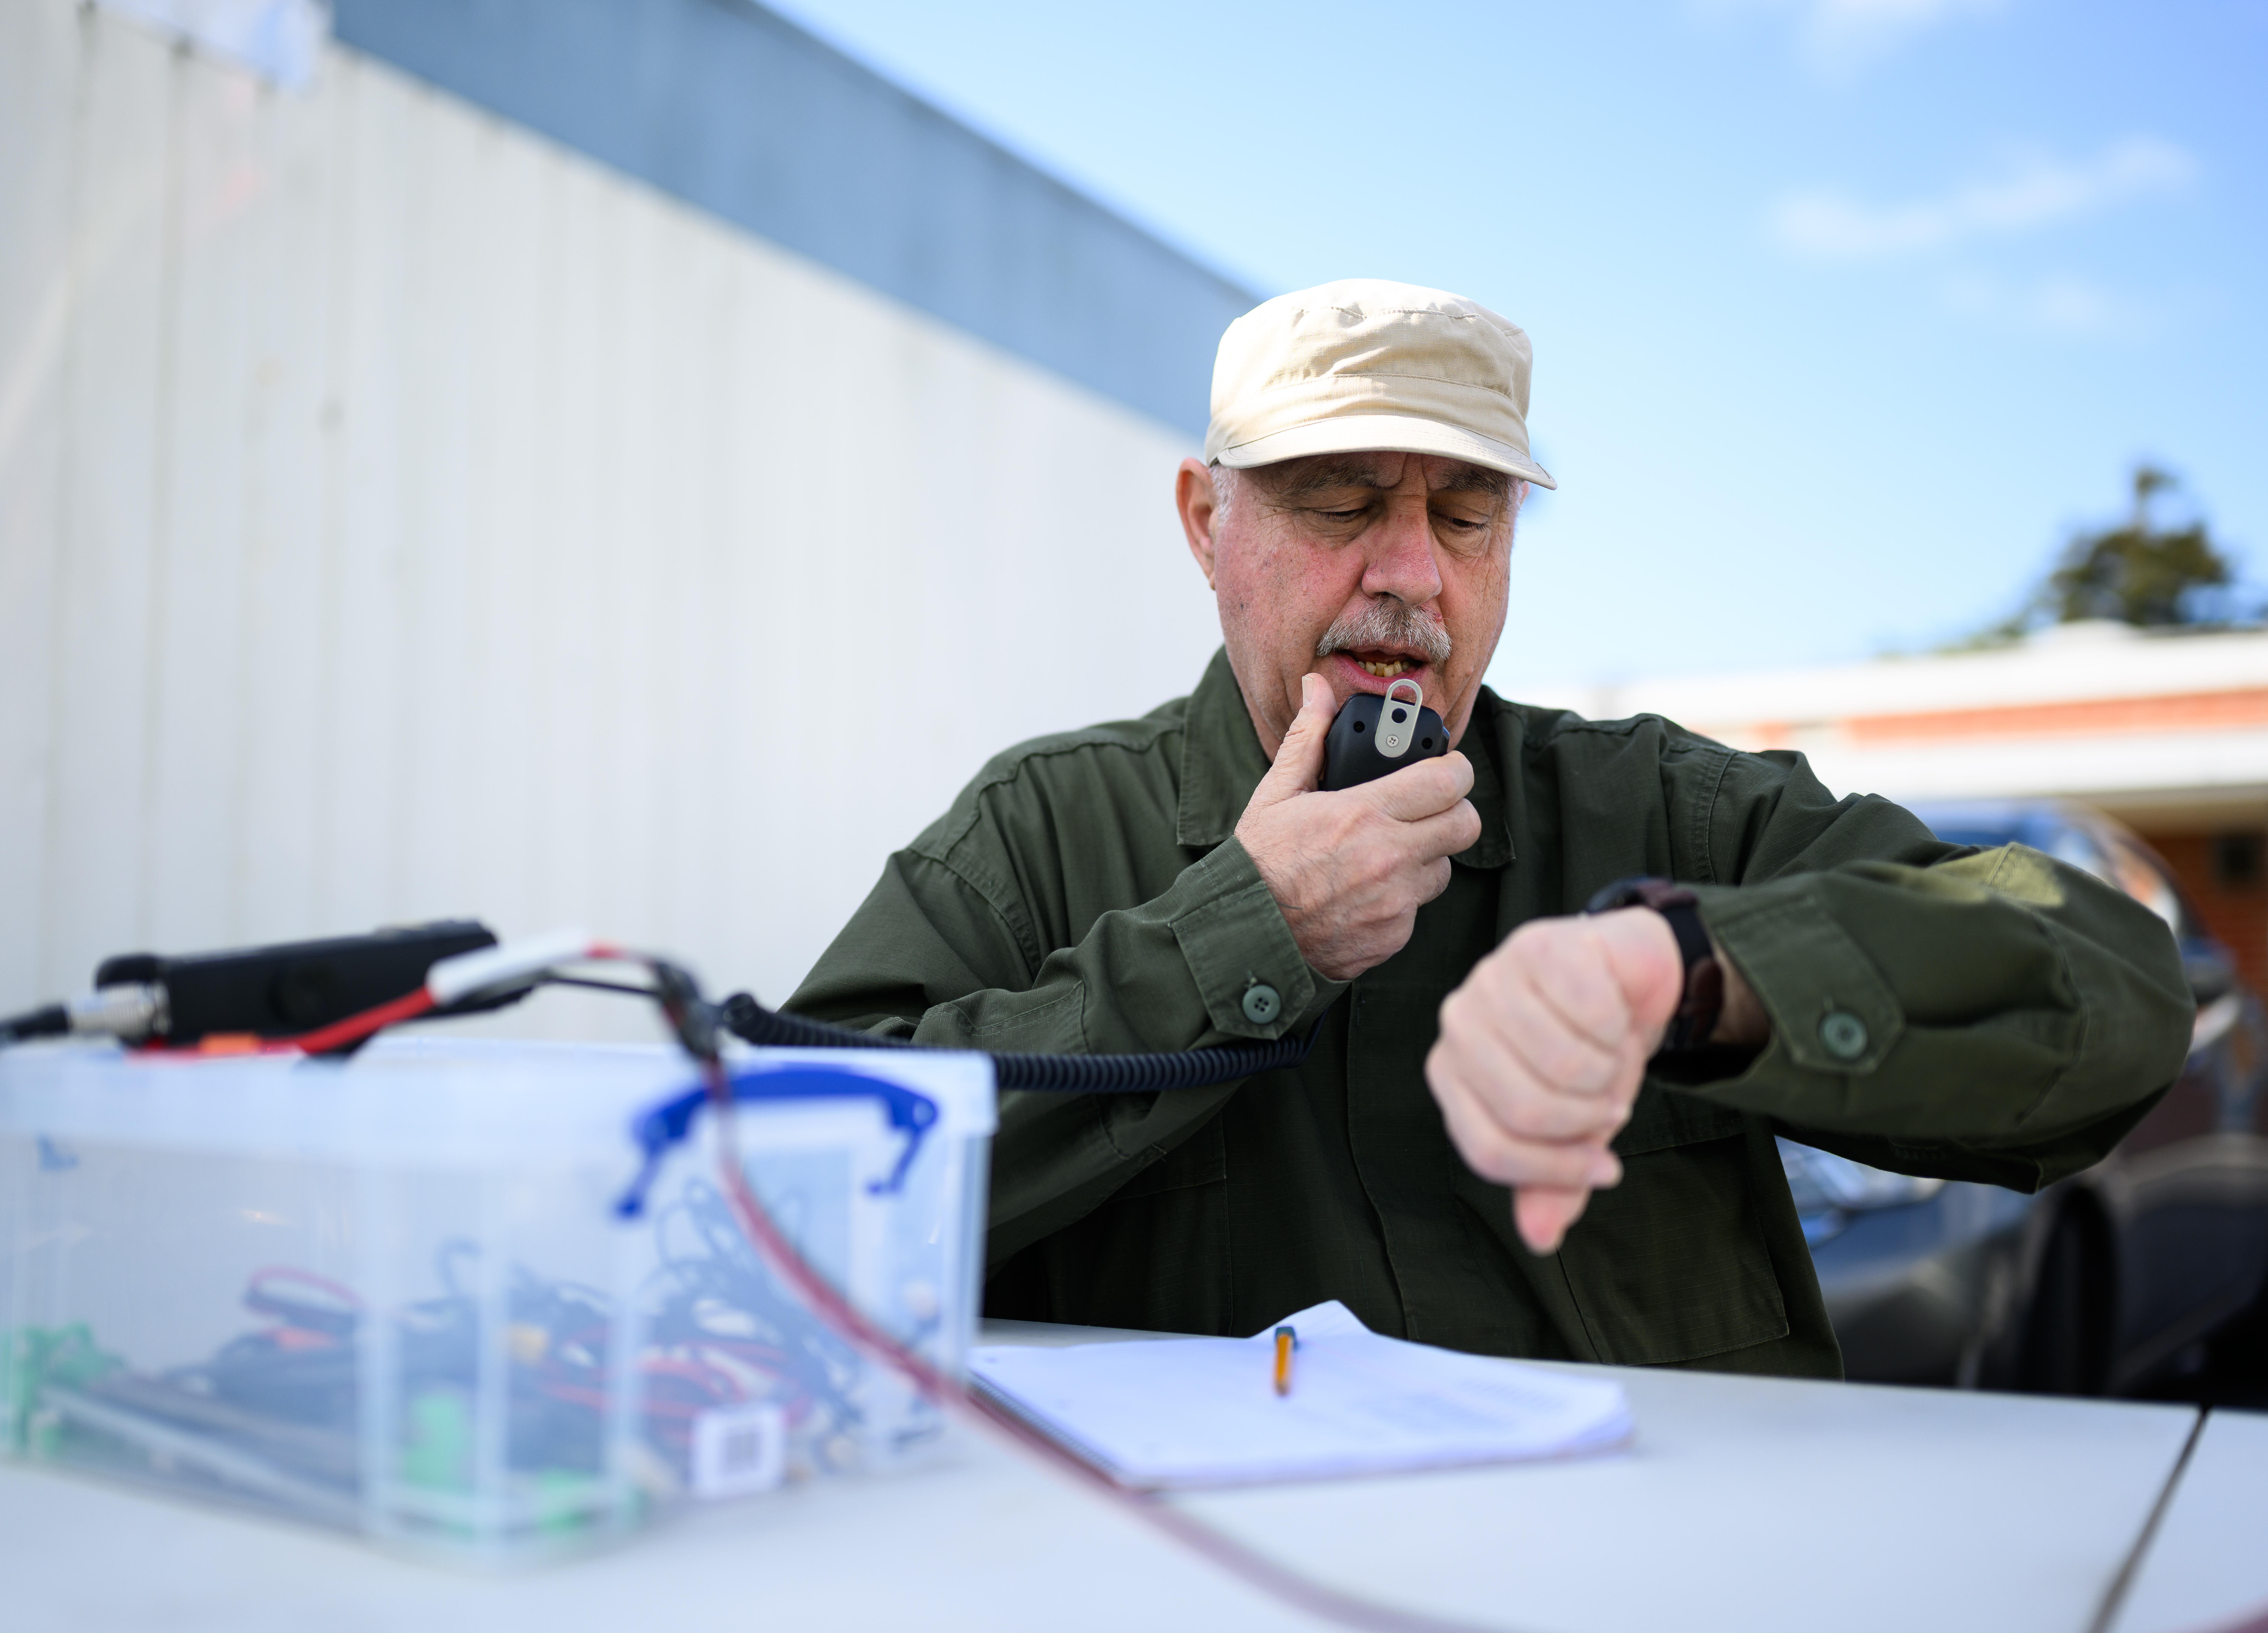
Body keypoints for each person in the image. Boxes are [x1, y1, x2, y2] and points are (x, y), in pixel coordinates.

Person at [786, 279, 2192, 1377]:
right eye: (1336, 500)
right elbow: (767, 1196)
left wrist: (1699, 972)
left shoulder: (1663, 813)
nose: (1409, 576)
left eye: (1464, 517)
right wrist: (1234, 936)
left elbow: (2114, 997)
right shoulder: (1038, 833)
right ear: (1204, 522)